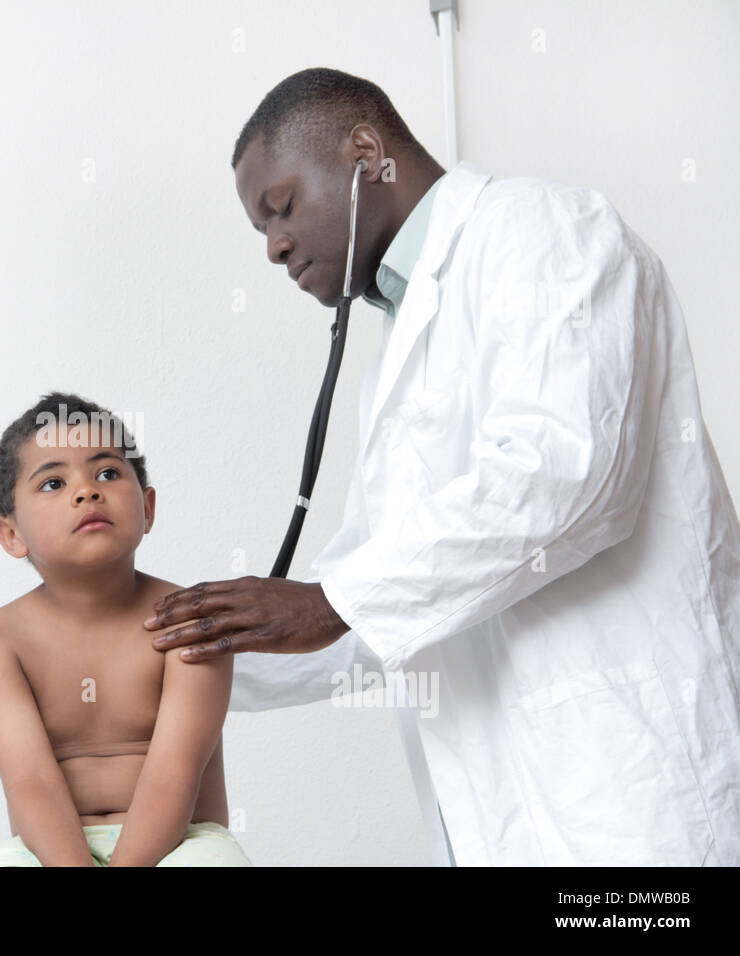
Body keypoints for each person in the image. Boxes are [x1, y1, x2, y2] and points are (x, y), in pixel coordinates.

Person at [143, 67, 740, 865]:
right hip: (504, 813)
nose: (275, 247)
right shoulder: (402, 351)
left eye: (280, 208)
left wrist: (334, 599)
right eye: (261, 231)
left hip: (625, 794)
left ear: (365, 151)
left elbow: (569, 476)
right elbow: (377, 611)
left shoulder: (540, 229)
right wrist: (171, 655)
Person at [0, 392, 252, 866]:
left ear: (148, 507)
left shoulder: (191, 619)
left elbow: (172, 774)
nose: (87, 491)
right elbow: (30, 781)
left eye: (108, 473)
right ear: (11, 535)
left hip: (181, 842)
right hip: (53, 852)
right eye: (53, 482)